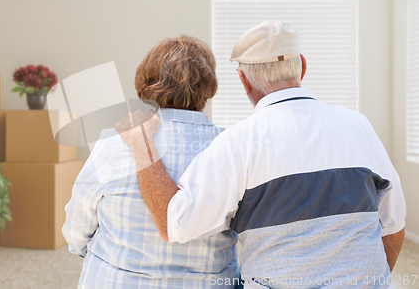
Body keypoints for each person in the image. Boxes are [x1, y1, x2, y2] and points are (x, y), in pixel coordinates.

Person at [116, 21, 407, 289]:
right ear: (302, 67)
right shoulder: (358, 125)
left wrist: (143, 146)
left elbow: (175, 224)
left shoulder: (236, 143)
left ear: (244, 81)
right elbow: (393, 227)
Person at [62, 35, 240, 288]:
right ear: (209, 86)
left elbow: (78, 224)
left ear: (147, 83)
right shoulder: (232, 147)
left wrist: (88, 252)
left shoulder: (113, 143)